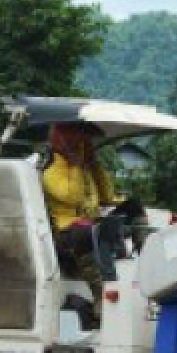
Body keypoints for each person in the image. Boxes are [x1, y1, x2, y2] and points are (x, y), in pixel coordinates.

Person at [41, 122, 123, 324]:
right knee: (85, 232)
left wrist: (94, 166)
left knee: (131, 208)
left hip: (91, 225)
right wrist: (76, 164)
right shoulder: (51, 173)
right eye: (80, 143)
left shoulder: (85, 169)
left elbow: (108, 196)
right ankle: (99, 295)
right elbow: (74, 198)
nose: (85, 147)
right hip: (66, 233)